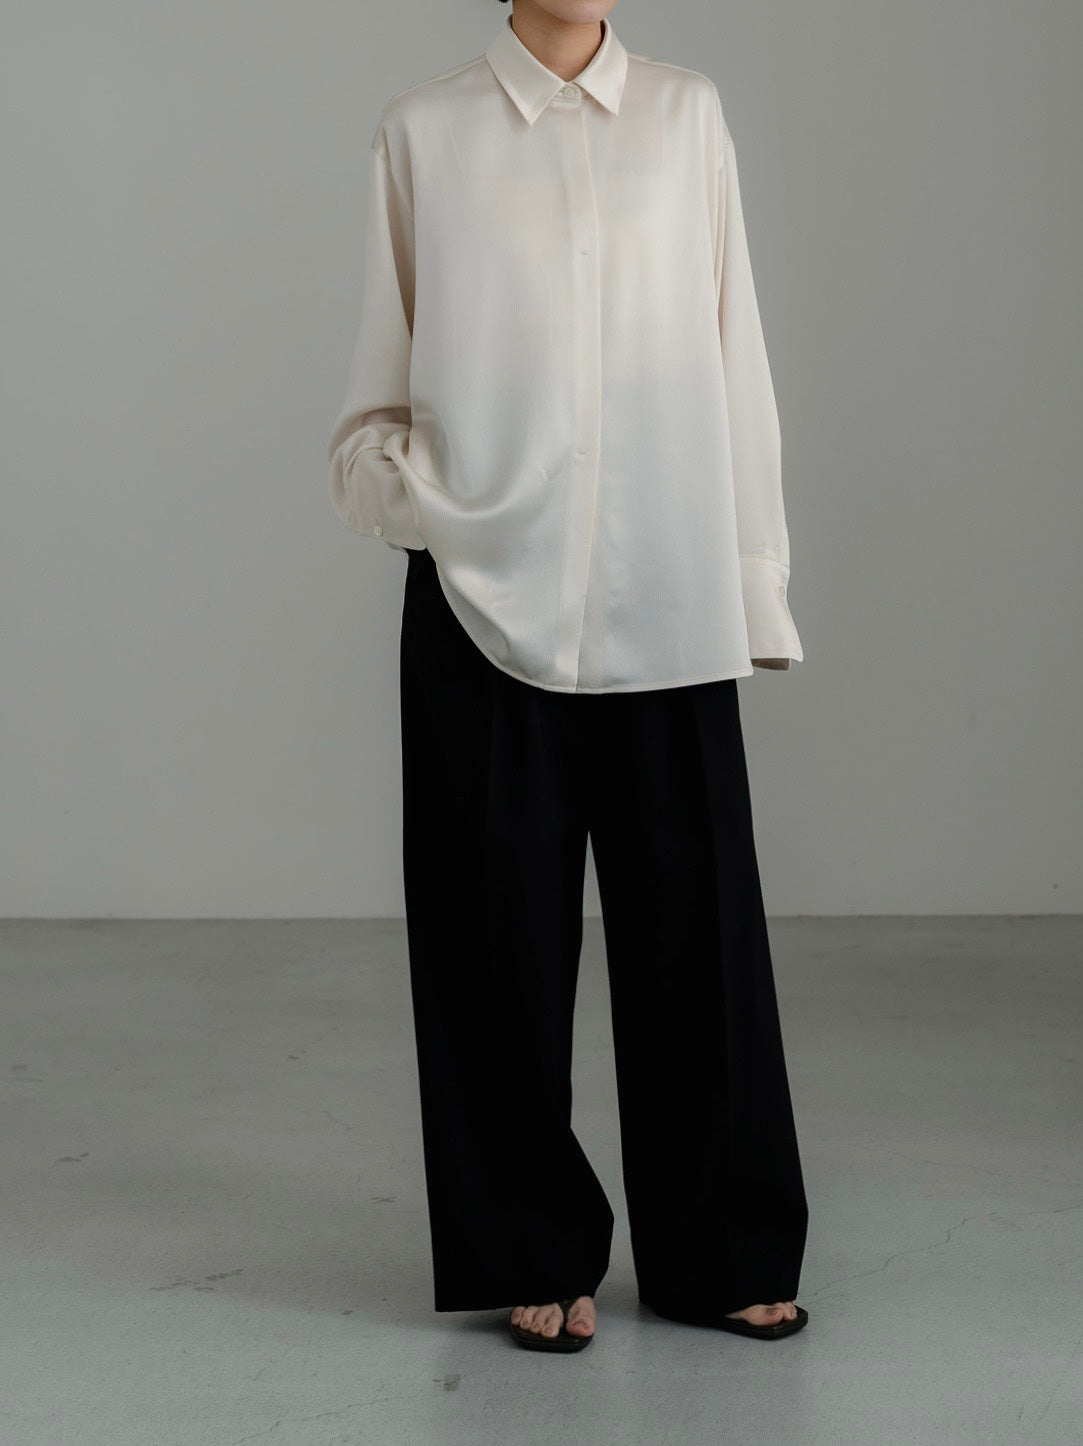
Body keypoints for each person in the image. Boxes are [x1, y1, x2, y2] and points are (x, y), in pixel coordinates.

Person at [327, 0, 810, 1352]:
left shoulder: (688, 116)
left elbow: (735, 356)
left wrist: (754, 582)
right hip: (481, 602)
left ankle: (722, 1249)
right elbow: (373, 399)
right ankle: (529, 1243)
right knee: (493, 944)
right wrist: (444, 507)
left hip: (671, 589)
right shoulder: (424, 132)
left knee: (700, 935)